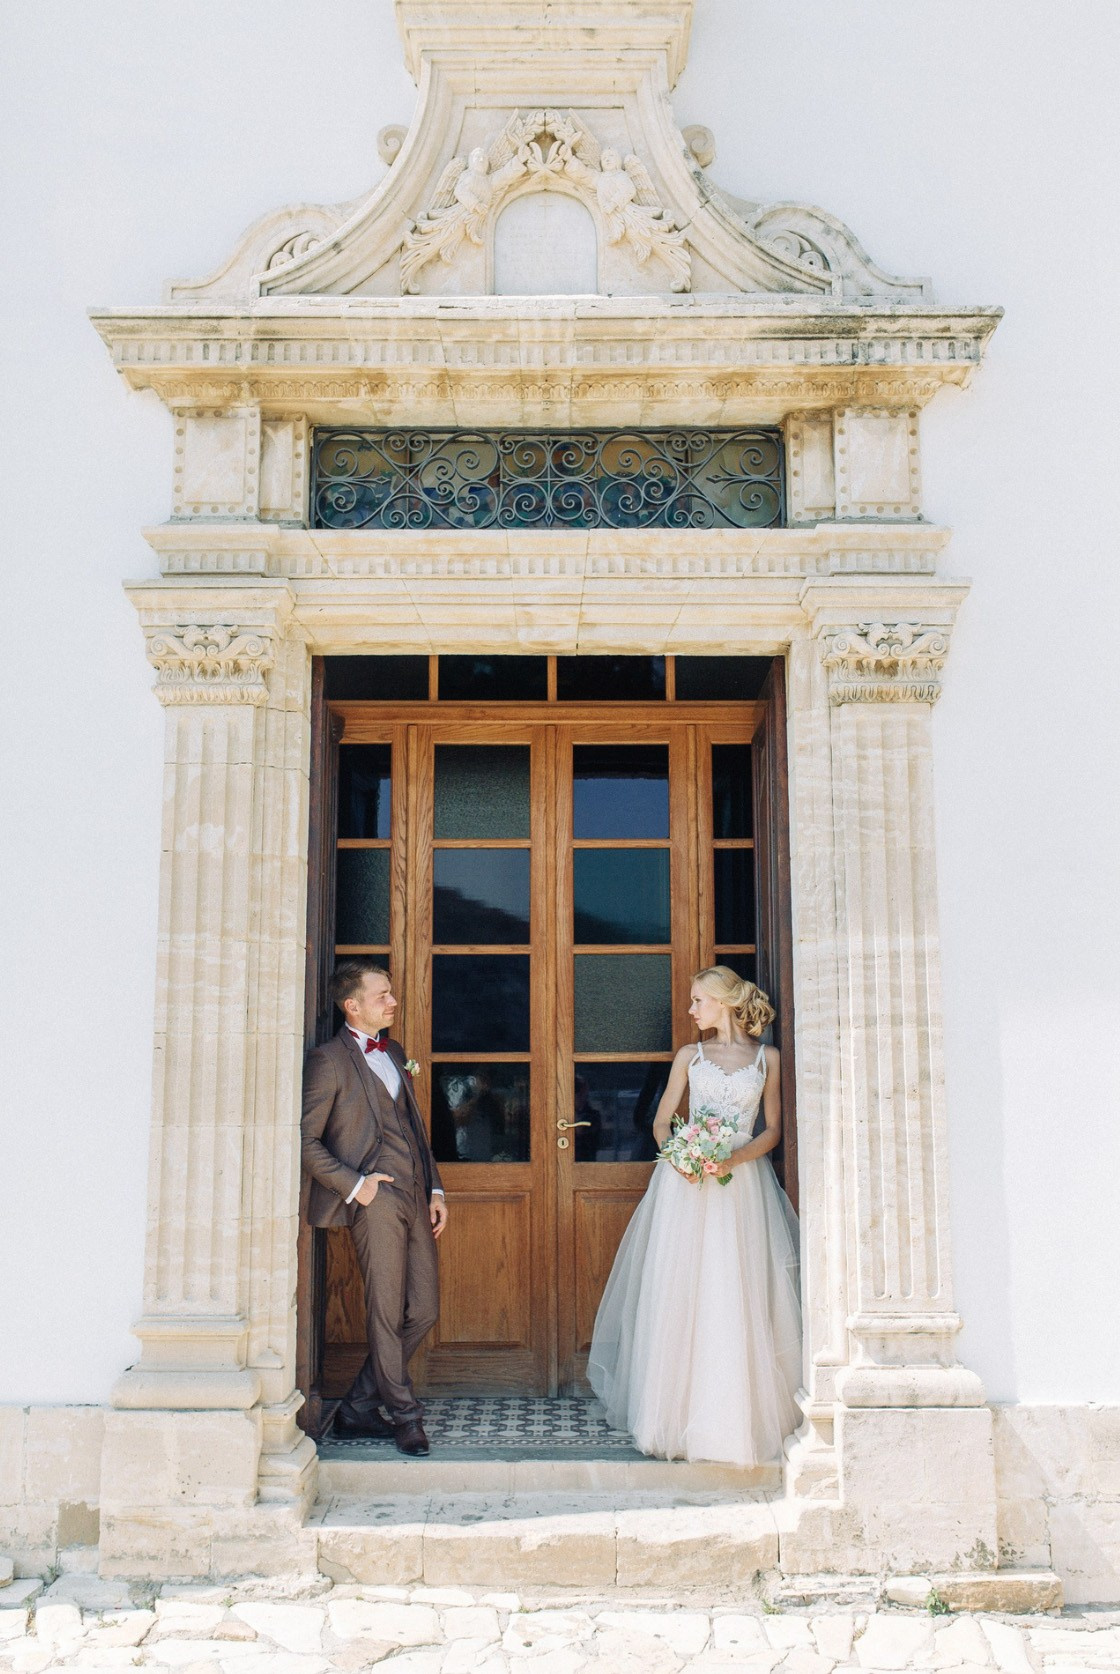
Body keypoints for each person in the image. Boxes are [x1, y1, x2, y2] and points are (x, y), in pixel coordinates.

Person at [587, 967, 801, 1467]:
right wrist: (680, 1156)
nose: (690, 1010)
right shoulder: (690, 1056)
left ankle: (732, 1422)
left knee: (735, 1287)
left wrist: (732, 1160)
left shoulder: (767, 1058)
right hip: (686, 1185)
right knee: (681, 1288)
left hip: (741, 1185)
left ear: (723, 1002)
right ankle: (671, 1418)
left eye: (697, 1000)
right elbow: (662, 1121)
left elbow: (772, 1131)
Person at [301, 959, 447, 1457]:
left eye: (390, 993)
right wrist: (356, 1185)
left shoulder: (395, 1052)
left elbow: (414, 1128)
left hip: (415, 1194)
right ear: (352, 1006)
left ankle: (357, 1408)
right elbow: (304, 1139)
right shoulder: (328, 1061)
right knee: (385, 1311)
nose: (393, 1002)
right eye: (382, 995)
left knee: (423, 1310)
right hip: (375, 1199)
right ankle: (406, 1416)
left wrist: (436, 1189)